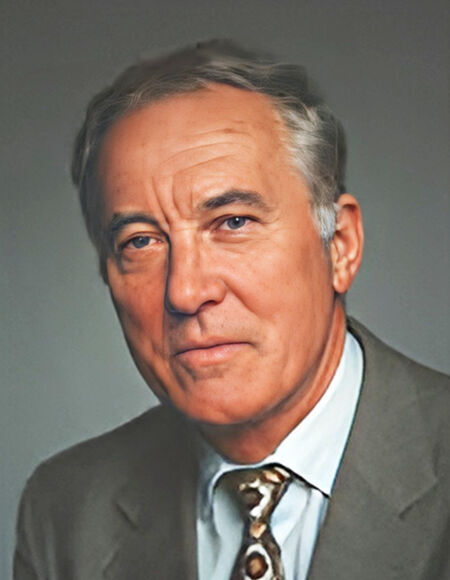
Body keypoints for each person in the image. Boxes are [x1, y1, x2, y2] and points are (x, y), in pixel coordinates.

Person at [14, 40, 449, 580]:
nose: (185, 292)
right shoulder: (66, 512)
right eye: (141, 241)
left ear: (339, 246)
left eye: (234, 223)